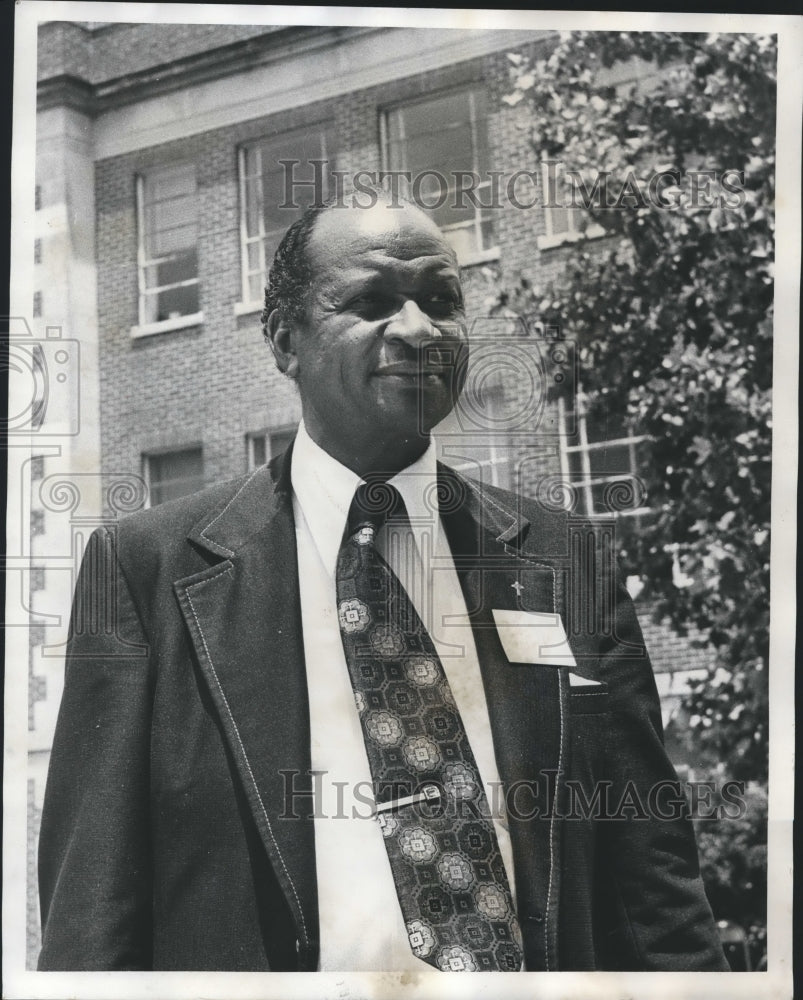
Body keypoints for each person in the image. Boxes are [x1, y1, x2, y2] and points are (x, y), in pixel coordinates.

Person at [37, 195, 729, 972]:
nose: (417, 330)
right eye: (370, 302)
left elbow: (654, 882)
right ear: (282, 341)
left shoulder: (569, 561)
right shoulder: (144, 570)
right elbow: (91, 912)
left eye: (441, 301)